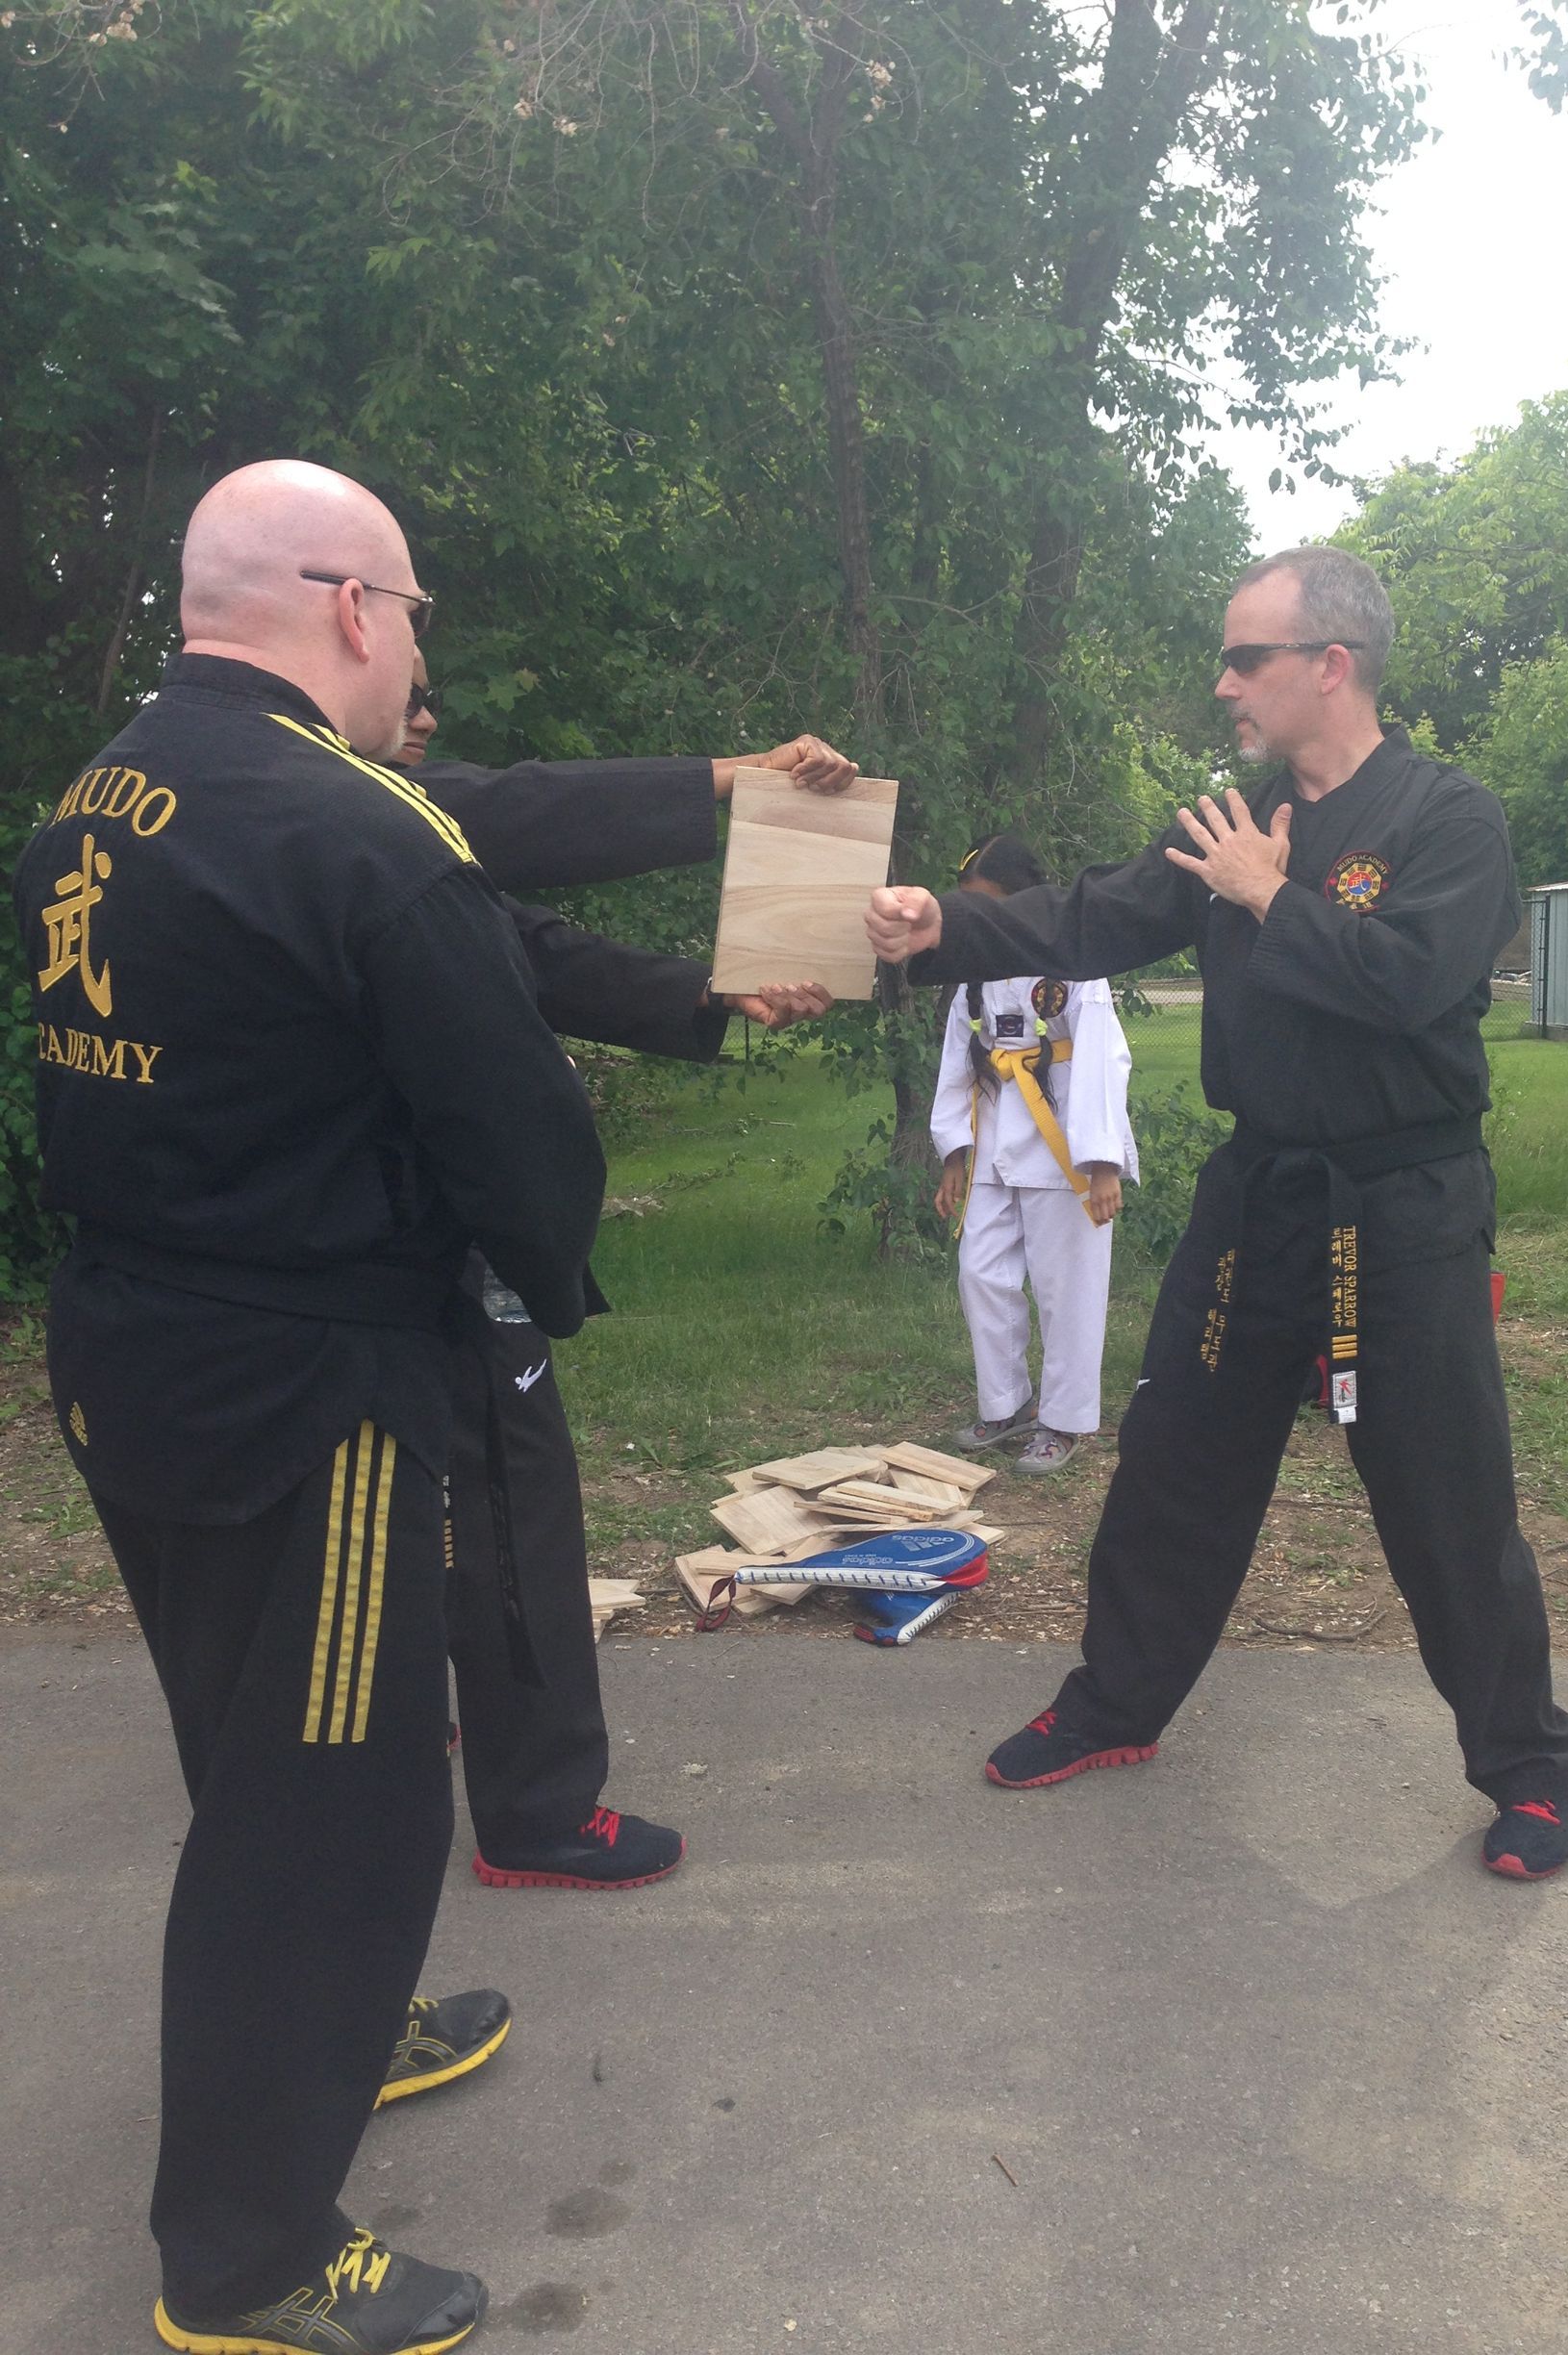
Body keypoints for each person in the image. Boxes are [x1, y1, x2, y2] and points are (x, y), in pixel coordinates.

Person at [14, 457, 610, 2355]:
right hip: (310, 1388)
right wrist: (544, 1278)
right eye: (413, 609)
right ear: (352, 606)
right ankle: (249, 2252)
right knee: (336, 1807)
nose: (415, 643)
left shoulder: (104, 792)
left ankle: (338, 2031)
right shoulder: (361, 830)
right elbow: (519, 1132)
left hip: (130, 1347)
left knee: (250, 1743)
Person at [868, 545, 1568, 1882]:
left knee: (1443, 1497)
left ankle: (1530, 1768)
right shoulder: (1233, 818)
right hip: (1260, 1201)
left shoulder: (1446, 817)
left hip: (1398, 1210)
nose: (1224, 684)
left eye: (1245, 658)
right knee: (1175, 1462)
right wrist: (939, 933)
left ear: (1332, 664)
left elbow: (1414, 984)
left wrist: (1269, 895)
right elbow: (1097, 912)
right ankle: (1115, 1706)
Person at [391, 654, 835, 1892]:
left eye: (434, 692)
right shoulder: (351, 810)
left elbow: (532, 947)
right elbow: (506, 809)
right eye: (404, 682)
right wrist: (725, 780)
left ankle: (411, 1725)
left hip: (351, 1252)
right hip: (432, 1248)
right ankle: (537, 1814)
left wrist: (710, 992)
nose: (426, 717)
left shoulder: (244, 812)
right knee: (510, 1506)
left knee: (402, 1503)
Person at [928, 831, 1136, 1474]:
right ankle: (1006, 1401)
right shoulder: (975, 969)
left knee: (1065, 1286)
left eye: (986, 904)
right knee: (981, 1273)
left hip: (1064, 1144)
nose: (976, 917)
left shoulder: (1073, 959)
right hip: (995, 1136)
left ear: (1023, 899)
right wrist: (954, 1152)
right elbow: (959, 1055)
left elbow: (1103, 1057)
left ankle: (1064, 1419)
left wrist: (1103, 1163)